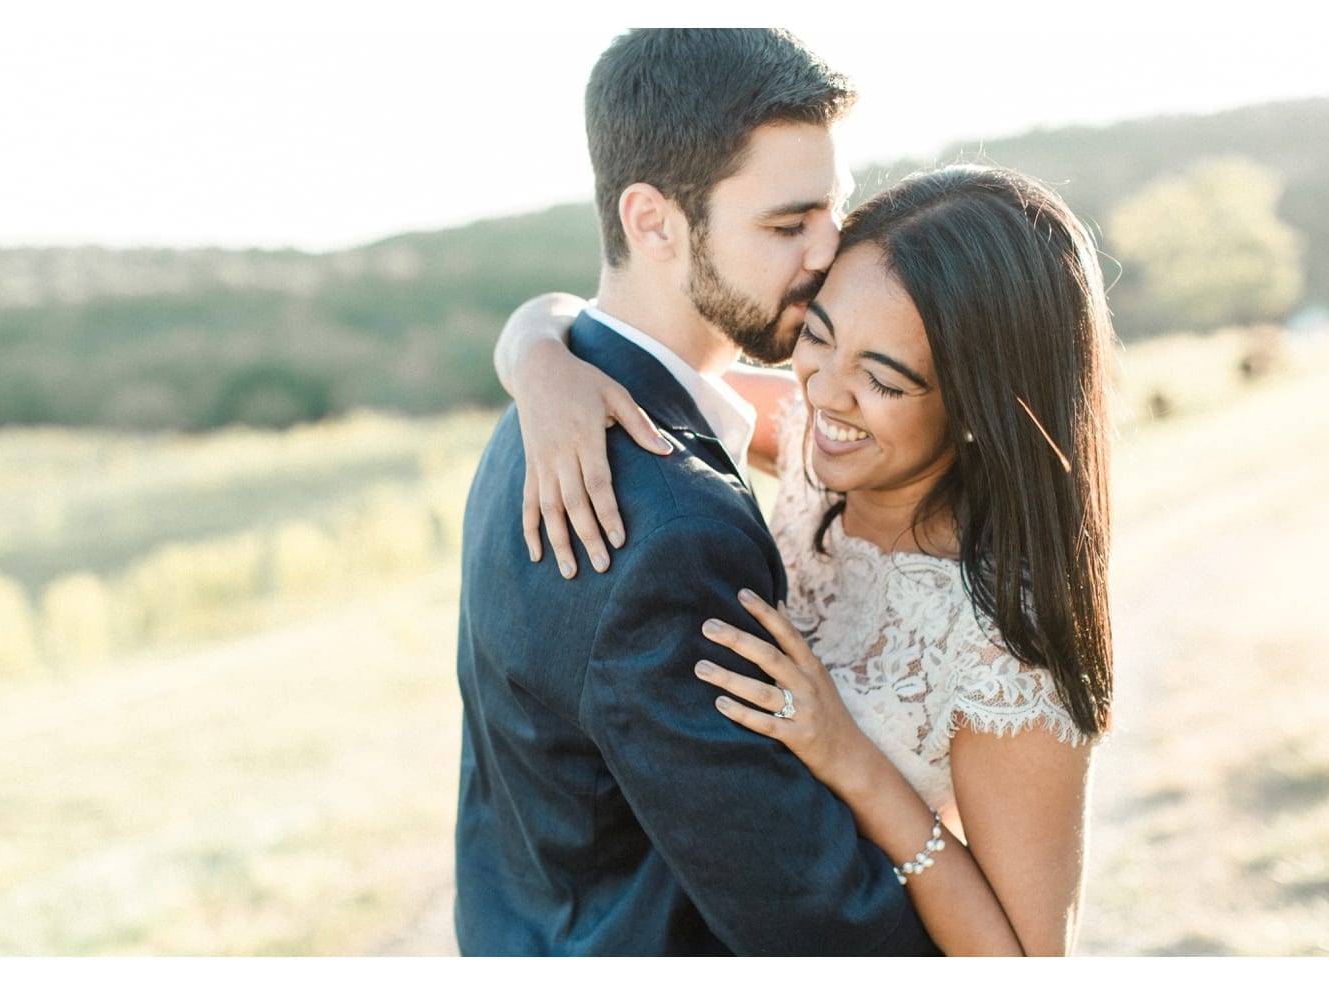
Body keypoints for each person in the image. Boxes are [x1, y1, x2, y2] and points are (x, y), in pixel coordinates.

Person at [497, 164, 1116, 954]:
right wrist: (540, 365)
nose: (826, 393)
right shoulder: (807, 439)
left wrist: (856, 764)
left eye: (881, 379)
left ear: (978, 406)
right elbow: (593, 331)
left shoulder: (1007, 646)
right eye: (817, 336)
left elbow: (1026, 961)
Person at [454, 28, 936, 956]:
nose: (829, 252)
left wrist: (531, 343)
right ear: (653, 221)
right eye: (788, 225)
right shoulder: (670, 528)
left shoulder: (533, 418)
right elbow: (798, 905)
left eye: (832, 213)